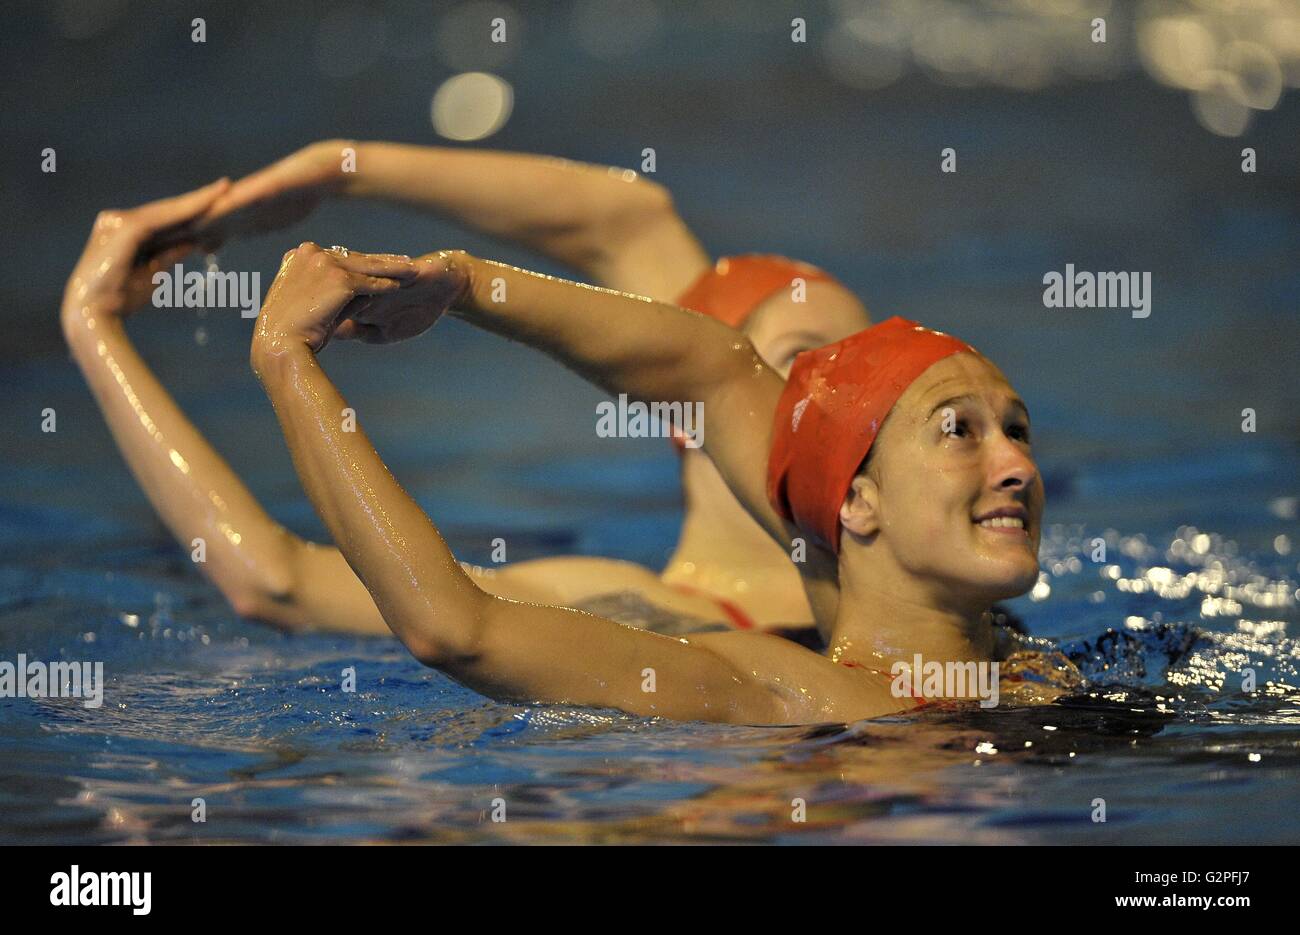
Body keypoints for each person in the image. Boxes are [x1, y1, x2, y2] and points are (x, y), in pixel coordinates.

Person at [236, 234, 1071, 725]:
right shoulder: (784, 689)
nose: (1018, 467)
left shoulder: (1020, 661)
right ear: (858, 500)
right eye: (960, 431)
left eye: (1018, 429)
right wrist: (288, 365)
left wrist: (466, 283)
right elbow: (459, 629)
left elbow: (712, 371)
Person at [97, 143, 873, 637]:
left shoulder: (921, 555)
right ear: (693, 405)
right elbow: (279, 579)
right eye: (804, 360)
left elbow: (629, 221)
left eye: (865, 364)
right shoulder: (632, 610)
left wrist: (346, 168)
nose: (848, 396)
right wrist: (94, 328)